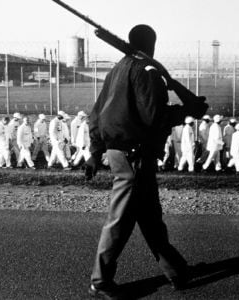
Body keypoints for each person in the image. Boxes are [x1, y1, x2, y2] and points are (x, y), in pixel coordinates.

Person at [86, 24, 208, 298]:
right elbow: (154, 116)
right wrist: (187, 111)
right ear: (152, 43)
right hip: (135, 156)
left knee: (151, 219)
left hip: (123, 154)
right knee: (119, 222)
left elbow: (96, 115)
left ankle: (176, 271)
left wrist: (95, 152)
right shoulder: (147, 70)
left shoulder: (117, 70)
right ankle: (100, 281)